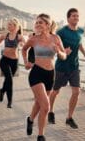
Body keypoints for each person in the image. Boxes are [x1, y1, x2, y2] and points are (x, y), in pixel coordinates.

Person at [22, 13, 67, 141]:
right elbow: (24, 49)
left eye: (40, 22)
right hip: (36, 73)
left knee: (39, 102)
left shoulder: (56, 38)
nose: (37, 25)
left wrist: (58, 51)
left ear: (47, 24)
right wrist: (26, 62)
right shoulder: (33, 39)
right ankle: (41, 135)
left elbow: (64, 56)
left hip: (50, 75)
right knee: (46, 106)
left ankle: (30, 119)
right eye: (36, 23)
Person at [48, 8, 85, 129]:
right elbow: (53, 46)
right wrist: (62, 51)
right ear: (68, 18)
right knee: (55, 92)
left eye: (77, 16)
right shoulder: (61, 32)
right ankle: (50, 111)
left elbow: (79, 43)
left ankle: (69, 118)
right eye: (73, 16)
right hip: (61, 66)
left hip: (74, 67)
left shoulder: (81, 31)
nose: (76, 18)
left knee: (76, 92)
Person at [0, 18, 25, 108]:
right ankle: (10, 102)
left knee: (8, 80)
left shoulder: (19, 36)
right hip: (4, 60)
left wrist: (22, 44)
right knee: (10, 80)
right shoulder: (5, 35)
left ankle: (2, 90)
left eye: (10, 24)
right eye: (8, 24)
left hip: (14, 62)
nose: (8, 26)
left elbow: (25, 45)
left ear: (15, 26)